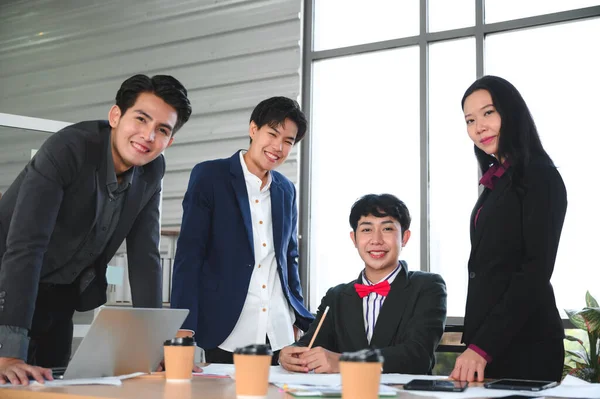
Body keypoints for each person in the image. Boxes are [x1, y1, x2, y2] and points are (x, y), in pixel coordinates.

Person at [0, 74, 192, 385]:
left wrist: (153, 346)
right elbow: (25, 246)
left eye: (162, 130)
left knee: (54, 386)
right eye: (141, 119)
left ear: (169, 141)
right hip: (8, 283)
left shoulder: (152, 170)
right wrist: (7, 352)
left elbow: (145, 256)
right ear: (115, 116)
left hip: (59, 296)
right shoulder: (69, 148)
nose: (148, 135)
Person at [170, 96, 314, 364]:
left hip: (279, 332)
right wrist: (183, 329)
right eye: (272, 134)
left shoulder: (286, 190)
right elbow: (189, 256)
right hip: (228, 331)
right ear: (253, 129)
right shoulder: (210, 177)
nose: (278, 147)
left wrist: (296, 315)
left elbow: (289, 258)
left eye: (288, 141)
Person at [451, 75, 567, 383]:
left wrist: (482, 347)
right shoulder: (499, 181)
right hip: (488, 345)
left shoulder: (540, 177)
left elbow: (534, 271)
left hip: (526, 345)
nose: (479, 127)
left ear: (511, 112)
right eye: (470, 120)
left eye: (489, 113)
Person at [279, 194, 447, 374]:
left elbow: (418, 356)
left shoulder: (427, 286)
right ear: (354, 239)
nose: (376, 240)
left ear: (404, 238)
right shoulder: (336, 296)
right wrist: (290, 354)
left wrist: (344, 362)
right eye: (366, 230)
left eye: (387, 228)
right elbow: (311, 344)